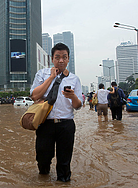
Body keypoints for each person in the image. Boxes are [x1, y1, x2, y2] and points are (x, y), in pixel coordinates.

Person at [30, 43, 83, 182]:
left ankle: (63, 181)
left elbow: (78, 106)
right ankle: (43, 178)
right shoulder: (42, 74)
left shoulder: (74, 79)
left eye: (64, 57)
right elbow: (34, 96)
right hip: (45, 123)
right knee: (42, 157)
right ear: (52, 59)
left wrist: (72, 97)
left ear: (68, 59)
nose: (61, 60)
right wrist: (51, 77)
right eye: (57, 57)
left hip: (66, 124)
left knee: (64, 161)